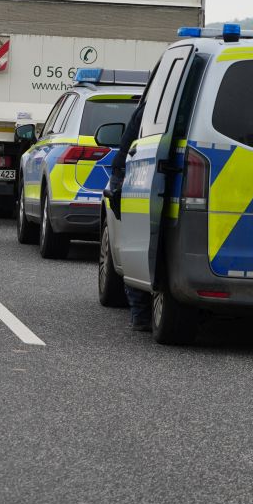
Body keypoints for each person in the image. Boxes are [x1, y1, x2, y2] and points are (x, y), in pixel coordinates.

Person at [107, 95, 150, 331]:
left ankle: (140, 313)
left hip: (125, 174)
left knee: (133, 242)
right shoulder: (151, 108)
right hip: (129, 175)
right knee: (136, 242)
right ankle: (140, 313)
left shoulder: (150, 104)